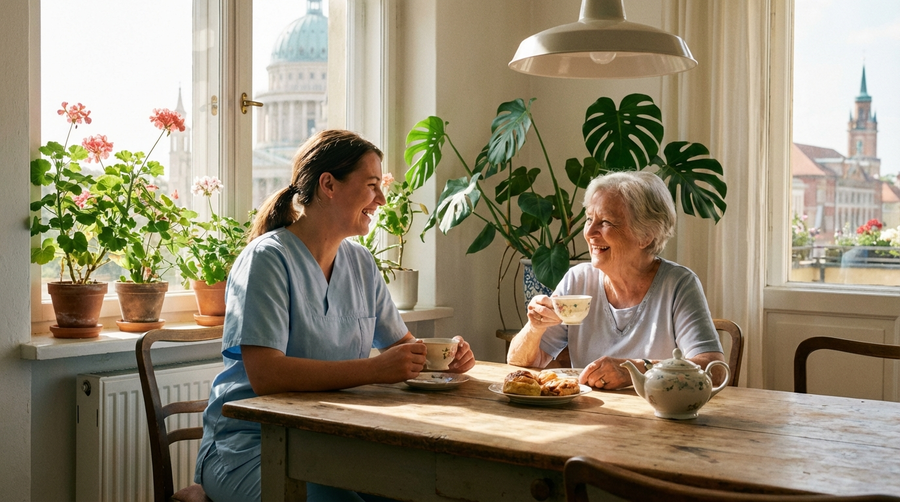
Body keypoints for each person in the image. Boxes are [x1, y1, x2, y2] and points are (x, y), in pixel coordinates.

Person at [194, 129, 476, 502]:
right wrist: (374, 370)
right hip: (251, 446)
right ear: (328, 184)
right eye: (372, 184)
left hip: (334, 441)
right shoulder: (267, 259)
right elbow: (266, 375)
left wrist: (445, 358)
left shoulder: (360, 262)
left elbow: (405, 350)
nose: (381, 198)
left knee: (417, 491)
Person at [507, 171, 724, 390]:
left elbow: (712, 370)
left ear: (646, 236)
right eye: (589, 219)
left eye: (606, 222)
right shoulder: (578, 280)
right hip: (589, 415)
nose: (590, 232)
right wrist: (535, 328)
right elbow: (518, 363)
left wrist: (635, 370)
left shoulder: (678, 284)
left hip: (657, 417)